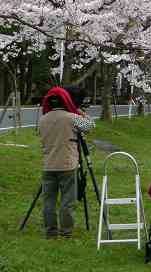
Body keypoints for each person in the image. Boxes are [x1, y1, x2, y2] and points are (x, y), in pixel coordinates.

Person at [38, 86, 95, 239]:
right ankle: (66, 232)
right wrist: (79, 111)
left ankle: (50, 232)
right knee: (67, 201)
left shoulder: (42, 119)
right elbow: (90, 126)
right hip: (67, 165)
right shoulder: (71, 118)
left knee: (48, 201)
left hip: (48, 165)